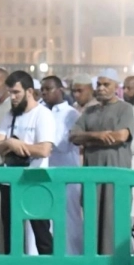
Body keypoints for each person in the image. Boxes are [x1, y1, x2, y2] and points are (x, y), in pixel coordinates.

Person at [0, 71, 59, 265]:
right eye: (10, 92)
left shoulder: (43, 115)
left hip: (35, 180)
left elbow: (45, 149)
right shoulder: (10, 115)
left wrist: (22, 147)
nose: (13, 97)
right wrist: (10, 143)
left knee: (41, 229)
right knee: (10, 231)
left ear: (30, 91)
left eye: (17, 92)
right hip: (11, 181)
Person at [70, 67, 134, 254]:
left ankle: (117, 264)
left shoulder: (125, 109)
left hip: (116, 173)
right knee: (92, 217)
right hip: (92, 174)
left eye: (106, 84)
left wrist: (89, 138)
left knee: (114, 218)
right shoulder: (89, 112)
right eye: (98, 84)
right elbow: (74, 136)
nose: (101, 88)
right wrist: (99, 135)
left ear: (116, 87)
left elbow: (121, 136)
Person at [41, 75, 83, 255]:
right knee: (42, 215)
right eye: (42, 89)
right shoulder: (40, 110)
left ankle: (73, 260)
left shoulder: (70, 113)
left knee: (69, 217)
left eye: (48, 89)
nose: (44, 93)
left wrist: (40, 144)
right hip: (43, 168)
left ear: (60, 90)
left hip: (66, 168)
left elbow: (62, 143)